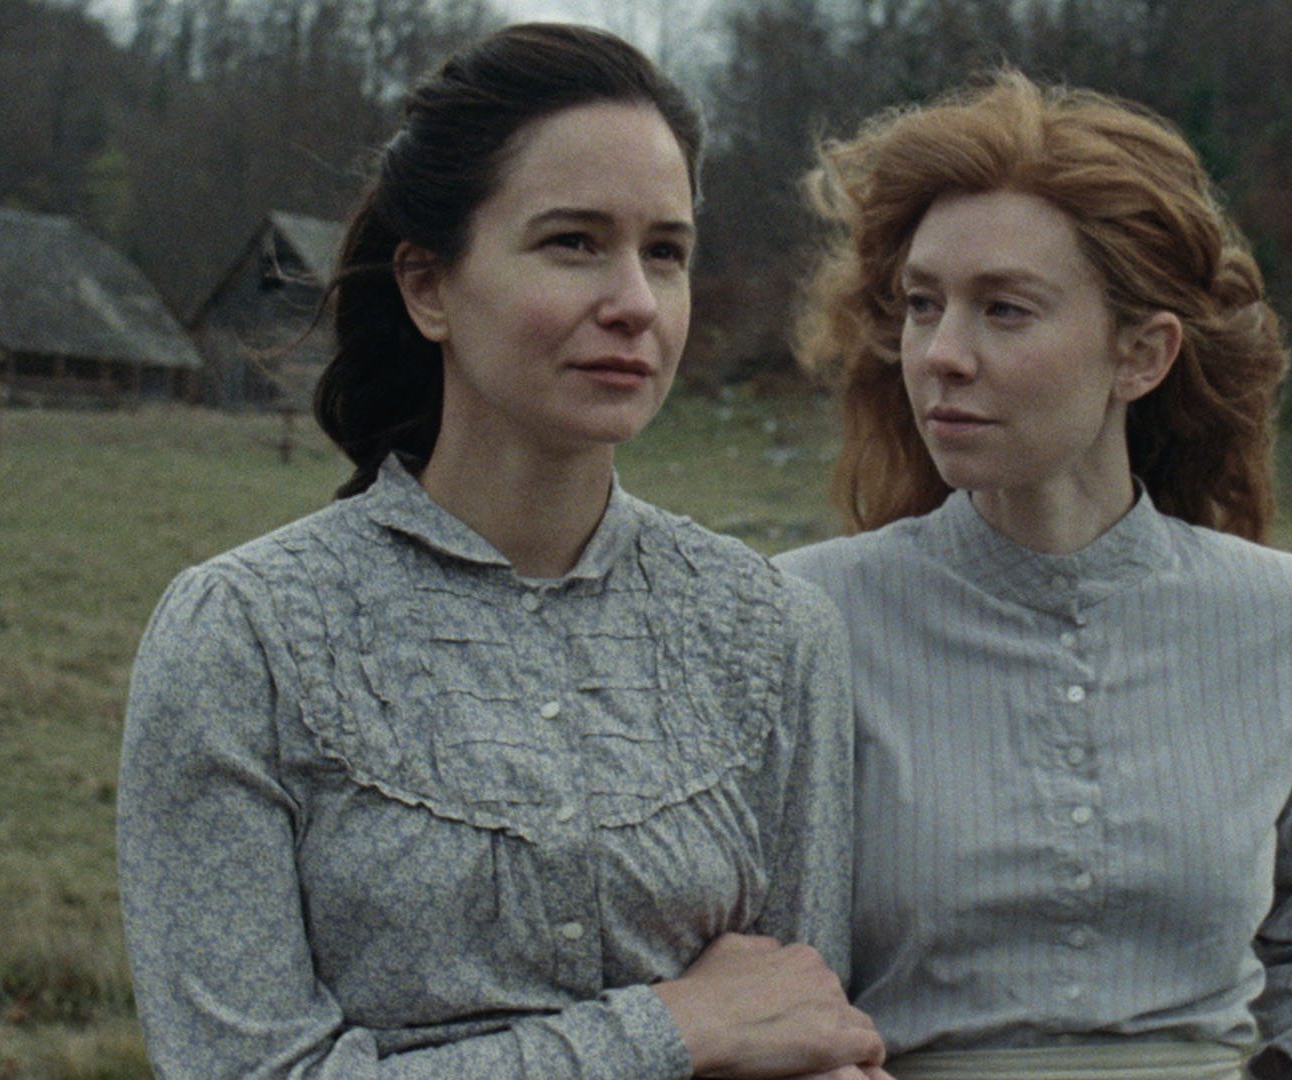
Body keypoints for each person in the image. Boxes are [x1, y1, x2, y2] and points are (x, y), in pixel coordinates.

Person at [117, 23, 887, 1079]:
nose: (633, 302)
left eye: (665, 252)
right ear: (429, 285)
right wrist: (669, 1030)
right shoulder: (244, 637)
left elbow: (805, 1038)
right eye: (573, 242)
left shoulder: (773, 631)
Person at [776, 71, 1292, 1080]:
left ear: (1141, 355)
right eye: (923, 305)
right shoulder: (805, 620)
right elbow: (775, 984)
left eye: (1005, 310)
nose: (940, 353)